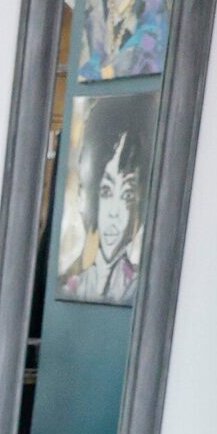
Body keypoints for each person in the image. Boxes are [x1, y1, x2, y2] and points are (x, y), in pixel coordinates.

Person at [59, 95, 148, 305]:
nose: (115, 212)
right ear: (88, 193)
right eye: (106, 191)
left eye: (126, 195)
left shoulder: (138, 289)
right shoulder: (69, 285)